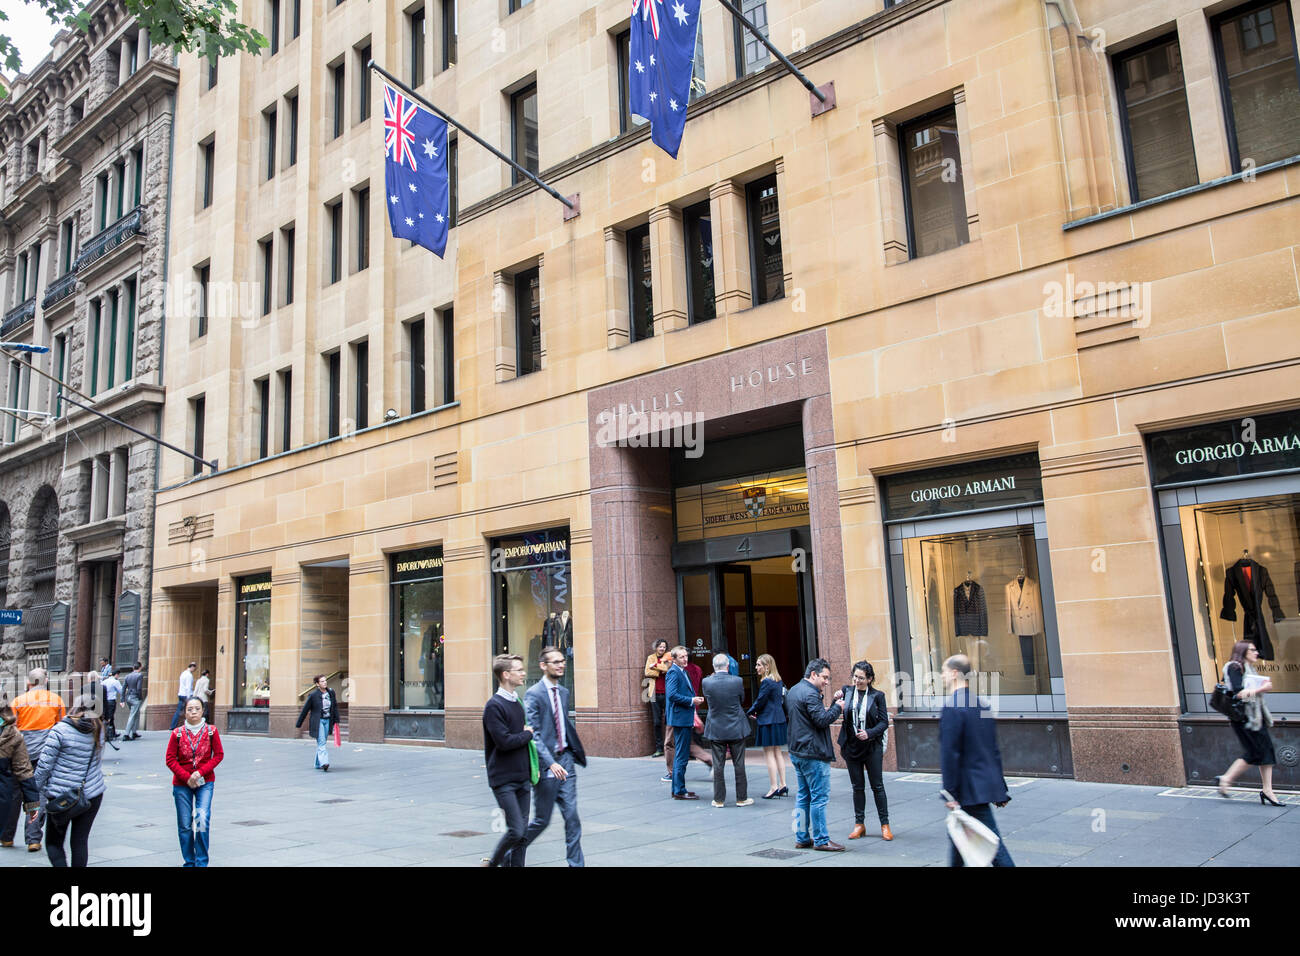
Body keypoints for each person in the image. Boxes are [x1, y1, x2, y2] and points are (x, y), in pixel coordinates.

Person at [940, 654, 1014, 867]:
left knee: (995, 848)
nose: (942, 676)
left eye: (944, 671)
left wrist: (949, 792)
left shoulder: (953, 707)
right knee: (958, 844)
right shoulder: (981, 704)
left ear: (955, 673)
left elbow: (950, 754)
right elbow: (992, 749)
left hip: (968, 790)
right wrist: (999, 788)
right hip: (981, 786)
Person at [520, 646, 587, 866]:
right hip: (547, 765)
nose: (560, 665)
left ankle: (576, 864)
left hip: (566, 760)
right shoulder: (534, 694)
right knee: (541, 820)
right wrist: (549, 763)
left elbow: (562, 723)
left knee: (572, 818)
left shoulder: (565, 692)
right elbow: (534, 734)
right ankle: (510, 853)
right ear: (543, 666)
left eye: (562, 661)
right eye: (555, 662)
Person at [32, 695, 106, 868]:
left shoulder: (60, 730)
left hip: (62, 797)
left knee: (53, 843)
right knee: (80, 842)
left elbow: (44, 766)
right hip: (92, 794)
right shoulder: (99, 729)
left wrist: (33, 792)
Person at [4, 669, 66, 852]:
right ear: (45, 681)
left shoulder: (18, 701)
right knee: (37, 795)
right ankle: (33, 839)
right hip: (44, 755)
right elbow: (61, 728)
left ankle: (7, 837)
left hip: (18, 754)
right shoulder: (56, 700)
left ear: (28, 683)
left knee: (13, 794)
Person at [786, 658, 844, 851]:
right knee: (819, 797)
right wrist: (838, 707)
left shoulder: (794, 690)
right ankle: (821, 839)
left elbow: (808, 717)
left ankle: (801, 837)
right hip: (813, 753)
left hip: (797, 751)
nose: (827, 682)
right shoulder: (810, 694)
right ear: (813, 674)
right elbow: (821, 720)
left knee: (803, 795)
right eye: (824, 678)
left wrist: (832, 703)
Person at [483, 654, 535, 867]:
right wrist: (527, 734)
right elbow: (504, 742)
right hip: (503, 779)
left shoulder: (517, 702)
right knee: (516, 830)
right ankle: (493, 863)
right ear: (506, 675)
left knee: (522, 836)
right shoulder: (494, 706)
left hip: (522, 777)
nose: (523, 673)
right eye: (519, 670)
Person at [1216, 640, 1283, 805]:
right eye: (1252, 650)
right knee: (1254, 753)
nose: (1256, 653)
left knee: (1266, 750)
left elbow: (1250, 695)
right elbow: (1239, 694)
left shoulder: (1249, 668)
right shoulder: (1234, 667)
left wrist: (1259, 688)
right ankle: (1226, 779)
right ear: (1243, 651)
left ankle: (1267, 790)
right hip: (1243, 718)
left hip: (1255, 716)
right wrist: (1261, 689)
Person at [165, 697, 225, 866]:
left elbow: (218, 755)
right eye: (190, 709)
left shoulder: (211, 731)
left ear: (203, 711)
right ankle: (189, 862)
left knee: (202, 819)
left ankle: (201, 862)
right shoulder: (177, 733)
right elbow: (170, 759)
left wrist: (199, 773)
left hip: (205, 782)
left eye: (197, 709)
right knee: (184, 825)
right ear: (185, 712)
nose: (193, 712)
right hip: (181, 784)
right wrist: (187, 777)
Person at [839, 661, 892, 841]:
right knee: (857, 787)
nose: (857, 681)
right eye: (855, 676)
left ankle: (885, 825)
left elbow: (884, 722)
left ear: (869, 679)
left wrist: (869, 733)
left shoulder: (878, 696)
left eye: (861, 678)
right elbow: (836, 704)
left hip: (871, 747)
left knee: (877, 786)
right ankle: (859, 824)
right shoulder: (847, 691)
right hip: (852, 747)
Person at [702, 653, 751, 808]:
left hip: (716, 728)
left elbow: (708, 699)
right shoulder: (737, 681)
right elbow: (741, 699)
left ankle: (719, 799)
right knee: (739, 764)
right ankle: (741, 798)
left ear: (713, 667)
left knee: (718, 765)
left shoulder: (706, 682)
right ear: (728, 666)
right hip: (736, 727)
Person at [666, 645, 704, 800]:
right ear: (674, 659)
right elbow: (672, 695)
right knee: (681, 755)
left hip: (684, 717)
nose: (685, 659)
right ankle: (679, 790)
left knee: (682, 754)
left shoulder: (683, 671)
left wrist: (693, 700)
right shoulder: (674, 672)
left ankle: (679, 788)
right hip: (680, 719)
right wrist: (691, 700)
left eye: (686, 656)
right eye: (681, 657)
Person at [747, 654, 788, 799]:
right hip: (779, 719)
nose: (756, 667)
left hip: (768, 721)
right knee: (778, 752)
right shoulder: (778, 680)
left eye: (759, 665)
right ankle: (783, 784)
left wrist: (751, 711)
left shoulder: (766, 682)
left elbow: (760, 701)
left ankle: (773, 786)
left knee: (769, 753)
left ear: (767, 667)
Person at [0, 703, 40, 849]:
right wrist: (33, 804)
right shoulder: (13, 734)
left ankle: (7, 837)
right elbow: (23, 770)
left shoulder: (13, 735)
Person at [295, 675, 340, 771]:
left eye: (325, 681)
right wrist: (299, 723)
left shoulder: (331, 692)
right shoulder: (313, 695)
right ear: (317, 684)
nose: (325, 682)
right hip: (318, 721)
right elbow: (305, 710)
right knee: (322, 742)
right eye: (322, 681)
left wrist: (336, 720)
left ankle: (317, 763)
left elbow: (334, 707)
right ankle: (324, 762)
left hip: (328, 720)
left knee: (322, 742)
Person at [644, 639, 670, 757]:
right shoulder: (650, 657)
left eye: (664, 647)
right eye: (660, 647)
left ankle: (669, 747)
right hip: (654, 694)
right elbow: (647, 672)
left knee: (669, 721)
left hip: (667, 693)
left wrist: (654, 667)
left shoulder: (669, 656)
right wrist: (659, 671)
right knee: (657, 722)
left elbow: (667, 669)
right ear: (656, 647)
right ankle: (659, 748)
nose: (662, 649)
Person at [121, 662, 145, 740]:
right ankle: (126, 734)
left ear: (133, 668)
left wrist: (122, 699)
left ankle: (134, 732)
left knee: (136, 714)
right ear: (140, 667)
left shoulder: (127, 676)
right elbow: (139, 688)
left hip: (128, 697)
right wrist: (140, 697)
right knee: (132, 715)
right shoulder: (139, 675)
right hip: (135, 697)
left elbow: (124, 688)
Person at [171, 662, 197, 730]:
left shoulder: (183, 673)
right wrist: (189, 698)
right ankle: (190, 725)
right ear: (192, 667)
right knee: (189, 711)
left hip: (181, 694)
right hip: (186, 695)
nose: (194, 670)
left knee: (178, 711)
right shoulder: (189, 675)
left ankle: (173, 725)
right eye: (194, 669)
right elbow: (188, 687)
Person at [101, 670, 123, 743]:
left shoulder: (104, 681)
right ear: (116, 675)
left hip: (104, 701)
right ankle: (109, 733)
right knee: (110, 717)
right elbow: (121, 690)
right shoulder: (115, 681)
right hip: (111, 701)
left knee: (107, 717)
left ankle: (112, 732)